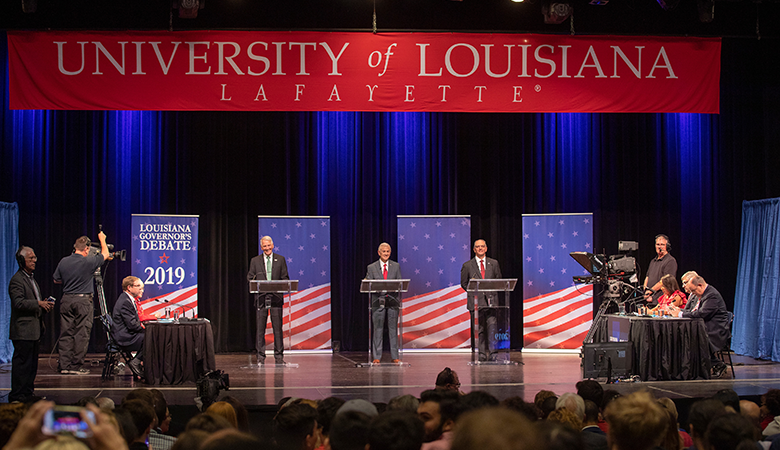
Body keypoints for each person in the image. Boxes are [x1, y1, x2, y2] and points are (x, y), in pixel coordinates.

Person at [53, 232, 110, 375]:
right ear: (86, 249)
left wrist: (71, 281)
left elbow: (56, 280)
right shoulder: (88, 261)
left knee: (66, 333)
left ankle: (64, 366)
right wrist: (102, 239)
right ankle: (75, 366)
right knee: (81, 334)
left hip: (66, 299)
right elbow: (105, 254)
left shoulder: (63, 261)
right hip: (83, 301)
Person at [8, 246, 53, 403]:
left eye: (35, 258)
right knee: (22, 365)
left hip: (34, 330)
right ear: (22, 261)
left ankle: (27, 393)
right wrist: (38, 303)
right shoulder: (17, 280)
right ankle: (17, 396)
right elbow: (19, 303)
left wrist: (44, 305)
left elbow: (33, 302)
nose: (34, 261)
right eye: (31, 258)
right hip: (23, 331)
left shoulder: (31, 279)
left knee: (32, 365)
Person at [668, 275, 730, 378]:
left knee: (692, 339)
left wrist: (680, 314)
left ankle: (718, 364)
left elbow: (702, 314)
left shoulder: (711, 295)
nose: (694, 295)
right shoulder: (701, 293)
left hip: (715, 330)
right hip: (704, 327)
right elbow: (693, 312)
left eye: (694, 291)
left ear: (700, 285)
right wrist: (678, 311)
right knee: (683, 336)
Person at [247, 235, 289, 364]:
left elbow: (286, 278)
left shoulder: (280, 259)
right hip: (261, 298)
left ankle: (279, 357)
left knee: (277, 328)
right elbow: (250, 277)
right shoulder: (255, 261)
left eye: (268, 245)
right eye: (264, 246)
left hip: (276, 297)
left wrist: (279, 286)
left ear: (273, 245)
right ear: (261, 247)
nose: (267, 248)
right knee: (260, 329)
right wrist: (256, 283)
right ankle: (260, 357)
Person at [460, 239, 502, 362]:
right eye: (477, 247)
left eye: (482, 246)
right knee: (480, 330)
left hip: (491, 302)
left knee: (492, 328)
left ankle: (493, 353)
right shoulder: (467, 265)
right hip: (476, 303)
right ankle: (482, 354)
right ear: (474, 249)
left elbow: (498, 280)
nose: (480, 248)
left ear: (486, 248)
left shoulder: (494, 263)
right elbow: (464, 283)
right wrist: (474, 291)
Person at [365, 243, 402, 364]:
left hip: (392, 301)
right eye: (384, 251)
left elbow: (399, 283)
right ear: (379, 252)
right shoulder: (372, 267)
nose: (386, 254)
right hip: (378, 301)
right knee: (378, 329)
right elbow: (368, 281)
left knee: (392, 329)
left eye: (388, 251)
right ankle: (377, 357)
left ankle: (395, 356)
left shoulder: (395, 266)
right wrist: (366, 281)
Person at [112, 276, 146, 379]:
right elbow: (132, 325)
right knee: (151, 337)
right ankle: (136, 362)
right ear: (129, 288)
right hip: (125, 337)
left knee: (151, 335)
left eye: (142, 287)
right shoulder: (125, 302)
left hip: (127, 334)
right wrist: (147, 329)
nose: (141, 290)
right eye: (138, 286)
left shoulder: (127, 299)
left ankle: (142, 365)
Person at [644, 234, 677, 307]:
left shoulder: (670, 261)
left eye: (662, 244)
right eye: (658, 244)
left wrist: (650, 291)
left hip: (660, 301)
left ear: (667, 246)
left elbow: (666, 281)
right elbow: (647, 277)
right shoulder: (653, 261)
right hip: (649, 300)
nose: (660, 247)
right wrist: (645, 290)